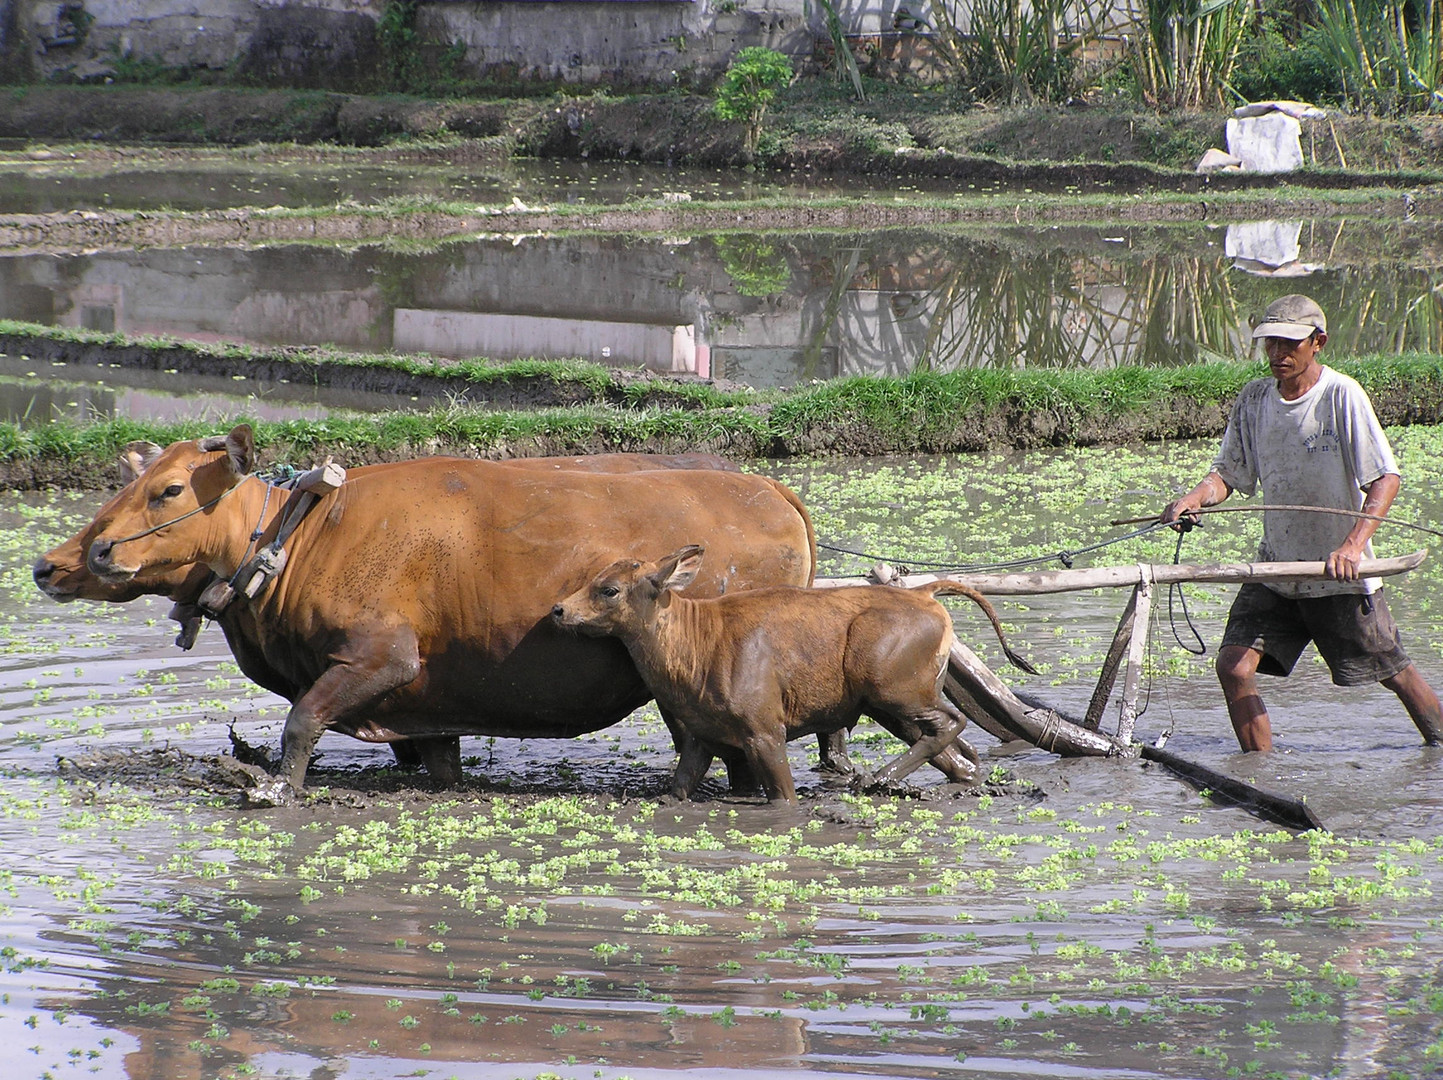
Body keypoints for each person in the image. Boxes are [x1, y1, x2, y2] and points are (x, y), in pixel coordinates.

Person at [1162, 293, 1442, 752]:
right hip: (1277, 571)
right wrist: (1193, 499)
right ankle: (1259, 774)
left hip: (1338, 576)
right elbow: (1229, 474)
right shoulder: (1254, 399)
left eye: (1289, 343)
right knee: (1233, 667)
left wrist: (1352, 547)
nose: (1278, 354)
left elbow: (1385, 478)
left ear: (1318, 342)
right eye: (1270, 343)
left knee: (1394, 671)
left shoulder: (1340, 395)